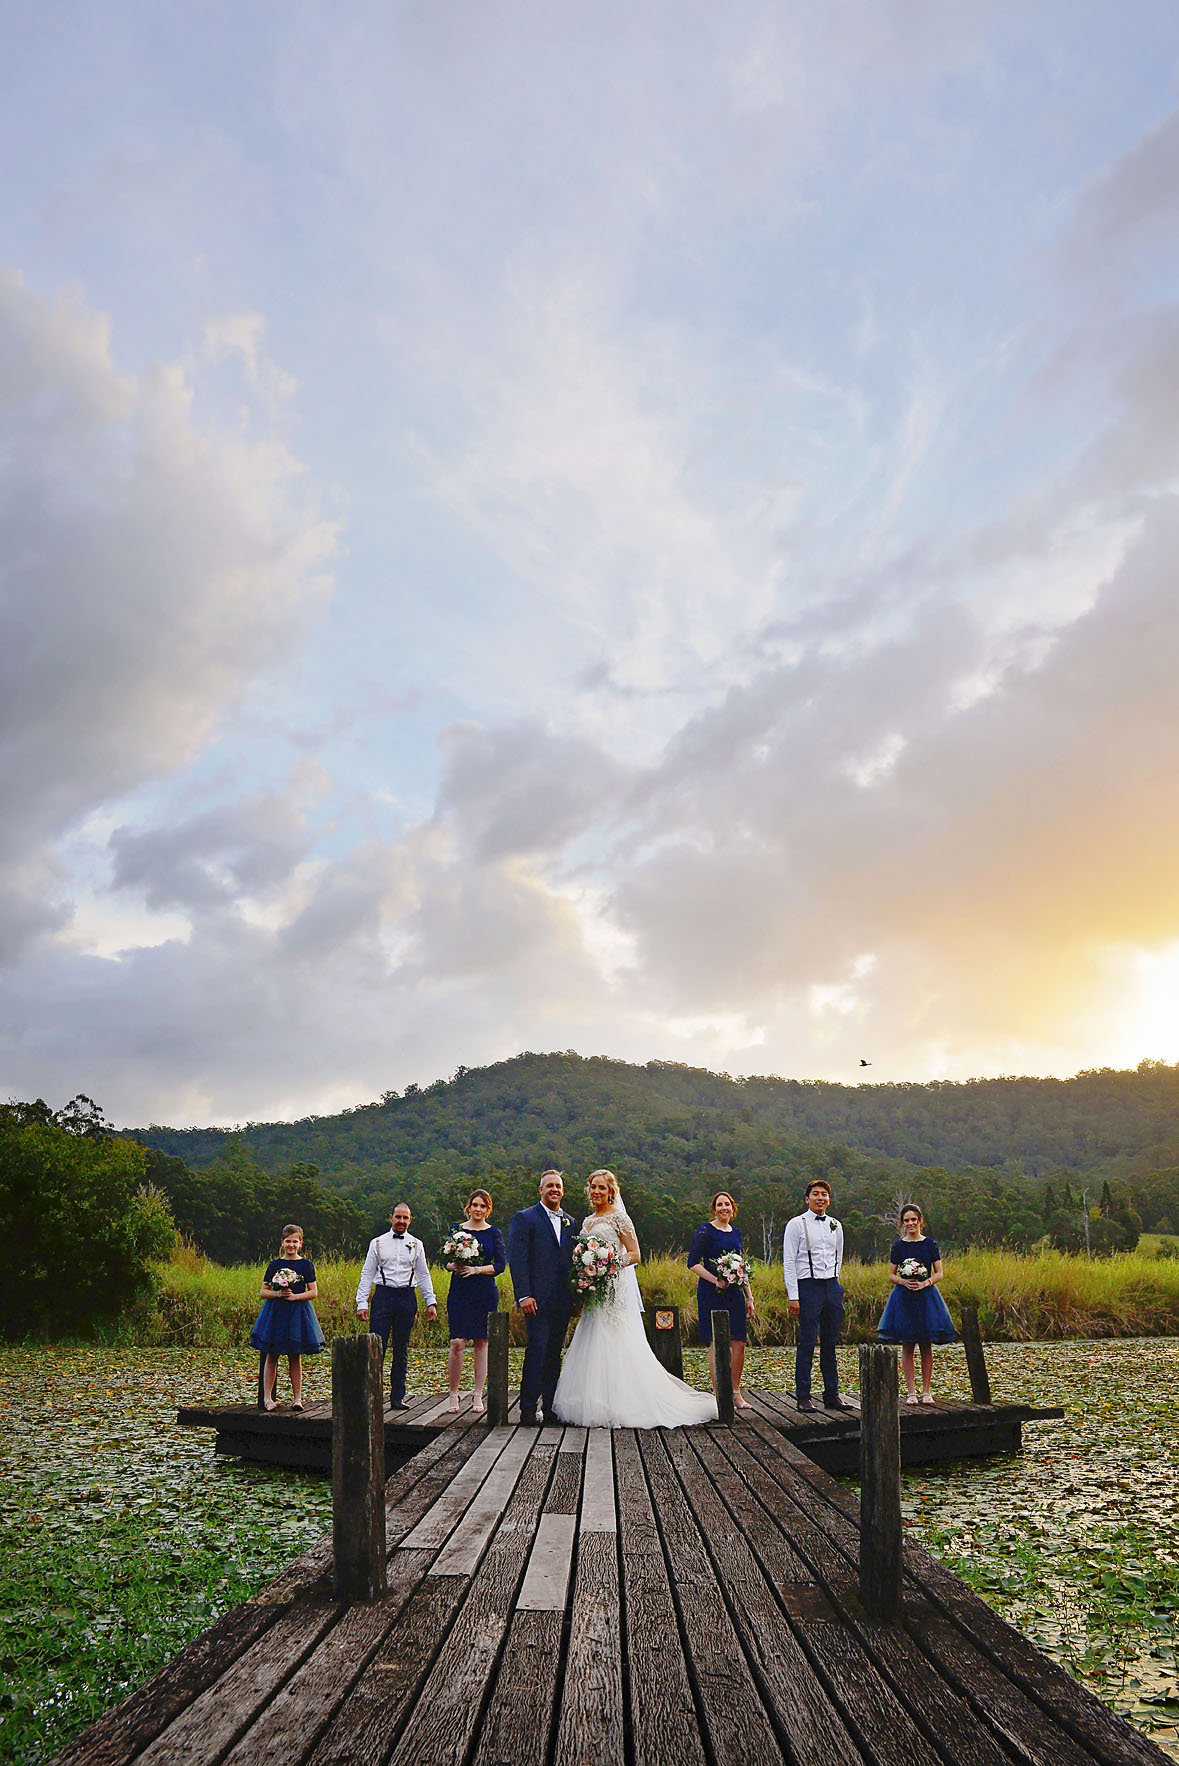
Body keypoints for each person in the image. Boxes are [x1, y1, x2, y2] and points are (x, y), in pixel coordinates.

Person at [553, 1169, 717, 1429]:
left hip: (614, 1288)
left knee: (615, 1339)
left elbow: (635, 1254)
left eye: (602, 1188)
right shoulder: (587, 1221)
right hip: (594, 1291)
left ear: (611, 1192)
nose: (596, 1191)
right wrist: (585, 1271)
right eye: (593, 1187)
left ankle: (623, 1402)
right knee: (592, 1337)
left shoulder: (620, 1218)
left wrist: (608, 1265)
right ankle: (593, 1401)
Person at [508, 1170, 577, 1424]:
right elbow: (518, 1259)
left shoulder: (571, 1222)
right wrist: (524, 1294)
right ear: (540, 1190)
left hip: (562, 1300)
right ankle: (527, 1409)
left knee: (554, 1353)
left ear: (563, 1191)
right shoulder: (525, 1218)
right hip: (535, 1300)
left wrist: (576, 1297)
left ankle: (550, 1409)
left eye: (558, 1186)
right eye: (549, 1186)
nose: (554, 1189)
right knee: (537, 1350)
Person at [356, 1201, 438, 1410]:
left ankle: (397, 1397)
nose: (401, 1221)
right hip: (383, 1297)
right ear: (391, 1218)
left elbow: (423, 1274)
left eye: (405, 1218)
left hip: (406, 1298)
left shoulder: (417, 1244)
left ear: (410, 1220)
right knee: (376, 1348)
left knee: (401, 1349)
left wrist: (431, 1301)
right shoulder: (377, 1243)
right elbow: (367, 1273)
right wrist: (361, 1303)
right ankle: (372, 1396)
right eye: (398, 1217)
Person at [876, 1203, 957, 1403]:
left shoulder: (930, 1244)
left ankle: (926, 1392)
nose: (910, 1223)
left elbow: (939, 1273)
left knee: (926, 1344)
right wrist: (903, 1281)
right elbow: (891, 1275)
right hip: (904, 1298)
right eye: (907, 1220)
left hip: (926, 1297)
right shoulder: (898, 1246)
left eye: (914, 1219)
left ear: (920, 1220)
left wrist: (925, 1282)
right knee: (907, 1344)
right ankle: (911, 1392)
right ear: (902, 1223)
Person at [783, 1179, 847, 1412]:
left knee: (830, 1342)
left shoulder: (836, 1225)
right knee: (807, 1342)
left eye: (824, 1194)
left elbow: (839, 1256)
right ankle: (803, 1396)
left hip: (831, 1285)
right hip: (808, 1286)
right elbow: (789, 1261)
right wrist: (793, 1296)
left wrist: (835, 1284)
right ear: (807, 1198)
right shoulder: (796, 1224)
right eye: (816, 1194)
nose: (820, 1198)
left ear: (829, 1200)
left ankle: (832, 1395)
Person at [688, 1190, 756, 1410]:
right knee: (717, 1342)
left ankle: (736, 1392)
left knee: (739, 1342)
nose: (724, 1208)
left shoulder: (736, 1233)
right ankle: (720, 1393)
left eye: (727, 1204)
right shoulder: (705, 1230)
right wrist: (715, 1281)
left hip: (735, 1293)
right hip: (712, 1293)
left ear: (733, 1208)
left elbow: (742, 1267)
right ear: (714, 1209)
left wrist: (749, 1297)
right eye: (719, 1205)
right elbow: (692, 1263)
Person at [249, 1224, 326, 1411]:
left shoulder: (306, 1265)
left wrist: (295, 1297)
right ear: (282, 1242)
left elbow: (313, 1292)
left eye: (295, 1241)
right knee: (272, 1354)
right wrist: (278, 1294)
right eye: (288, 1241)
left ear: (300, 1243)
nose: (291, 1245)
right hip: (276, 1312)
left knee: (295, 1355)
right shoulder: (274, 1265)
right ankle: (268, 1398)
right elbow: (263, 1291)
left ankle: (297, 1399)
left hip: (298, 1313)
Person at [444, 1188, 507, 1413]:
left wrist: (477, 1269)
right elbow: (445, 1261)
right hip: (460, 1291)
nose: (478, 1209)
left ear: (488, 1209)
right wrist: (455, 1266)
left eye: (483, 1206)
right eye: (475, 1205)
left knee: (482, 1342)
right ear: (468, 1207)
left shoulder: (494, 1233)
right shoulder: (456, 1230)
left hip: (484, 1291)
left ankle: (478, 1394)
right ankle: (453, 1395)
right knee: (457, 1342)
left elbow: (500, 1265)